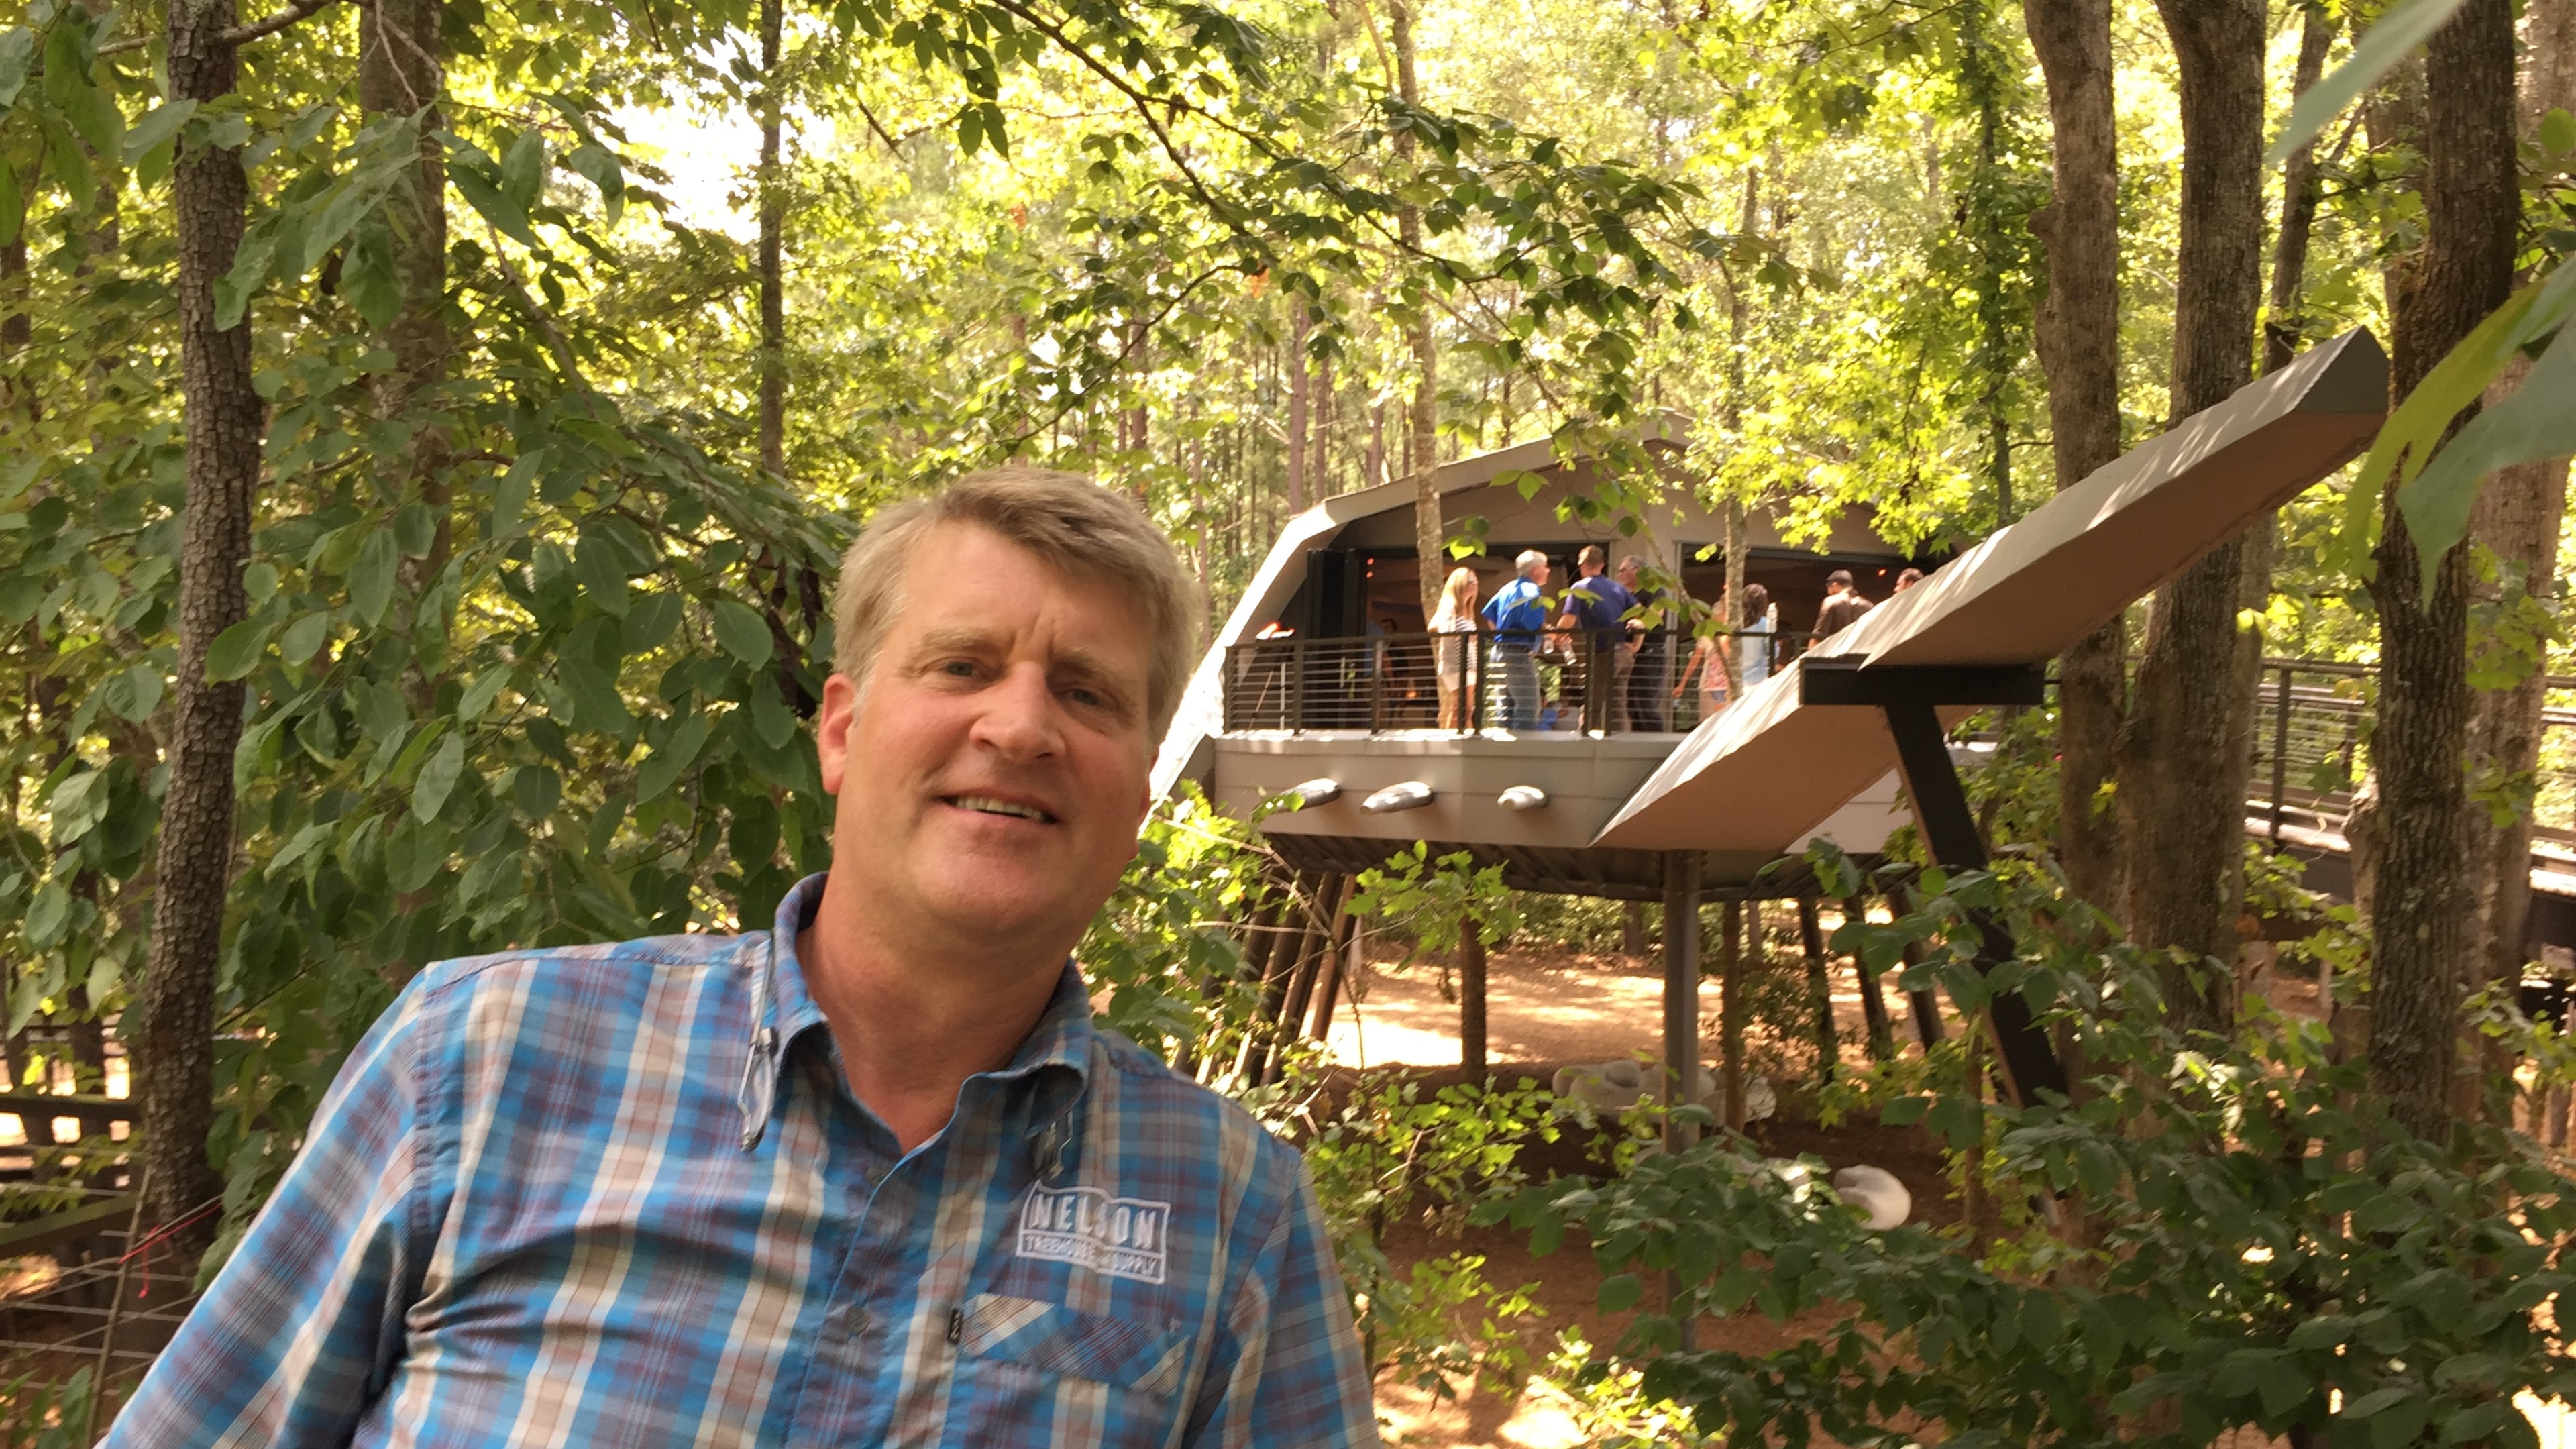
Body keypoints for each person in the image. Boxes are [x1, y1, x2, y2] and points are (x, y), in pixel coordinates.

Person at [106, 468, 1381, 1449]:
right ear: (841, 728)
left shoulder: (1230, 1213)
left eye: (1089, 694)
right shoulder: (483, 1062)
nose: (1021, 723)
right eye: (962, 665)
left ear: (1143, 787)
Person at [1555, 544, 1637, 731]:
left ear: (1583, 565)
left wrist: (1557, 635)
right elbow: (1640, 614)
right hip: (1624, 654)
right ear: (1602, 564)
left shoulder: (1580, 588)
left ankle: (1585, 740)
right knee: (1617, 705)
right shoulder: (1618, 588)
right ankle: (1620, 742)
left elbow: (1568, 620)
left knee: (1594, 701)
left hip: (1602, 653)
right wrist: (1635, 644)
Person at [1481, 549, 1550, 730]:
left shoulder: (1507, 588)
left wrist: (1500, 635)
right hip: (1517, 654)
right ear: (1535, 570)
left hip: (1499, 653)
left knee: (1505, 708)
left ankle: (1502, 752)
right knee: (1528, 707)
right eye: (1545, 567)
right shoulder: (1532, 590)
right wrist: (1549, 631)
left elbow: (1488, 613)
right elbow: (1532, 623)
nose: (1548, 571)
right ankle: (1524, 754)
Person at [1615, 555, 1671, 732]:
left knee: (1646, 703)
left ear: (1636, 570)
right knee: (1632, 704)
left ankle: (1655, 742)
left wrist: (1642, 623)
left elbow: (1657, 613)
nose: (1619, 574)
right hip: (1631, 655)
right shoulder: (1625, 595)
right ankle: (1638, 742)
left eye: (1623, 569)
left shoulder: (1654, 590)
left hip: (1650, 654)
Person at [1428, 565, 1482, 729]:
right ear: (1460, 583)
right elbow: (1439, 629)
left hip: (1469, 664)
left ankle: (1464, 741)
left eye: (1476, 580)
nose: (1475, 583)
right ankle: (1452, 744)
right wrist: (1465, 636)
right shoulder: (1450, 606)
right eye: (1471, 580)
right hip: (1456, 664)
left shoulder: (1467, 609)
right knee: (1461, 708)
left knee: (1467, 709)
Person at [1814, 567, 1874, 639]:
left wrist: (1812, 648)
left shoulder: (1831, 601)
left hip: (1835, 648)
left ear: (1834, 585)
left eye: (1828, 587)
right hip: (1861, 648)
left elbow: (1820, 633)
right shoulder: (1868, 605)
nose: (1828, 591)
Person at [1737, 582, 1777, 691]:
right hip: (1761, 679)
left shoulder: (1736, 625)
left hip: (1739, 679)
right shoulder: (1766, 624)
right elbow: (1773, 652)